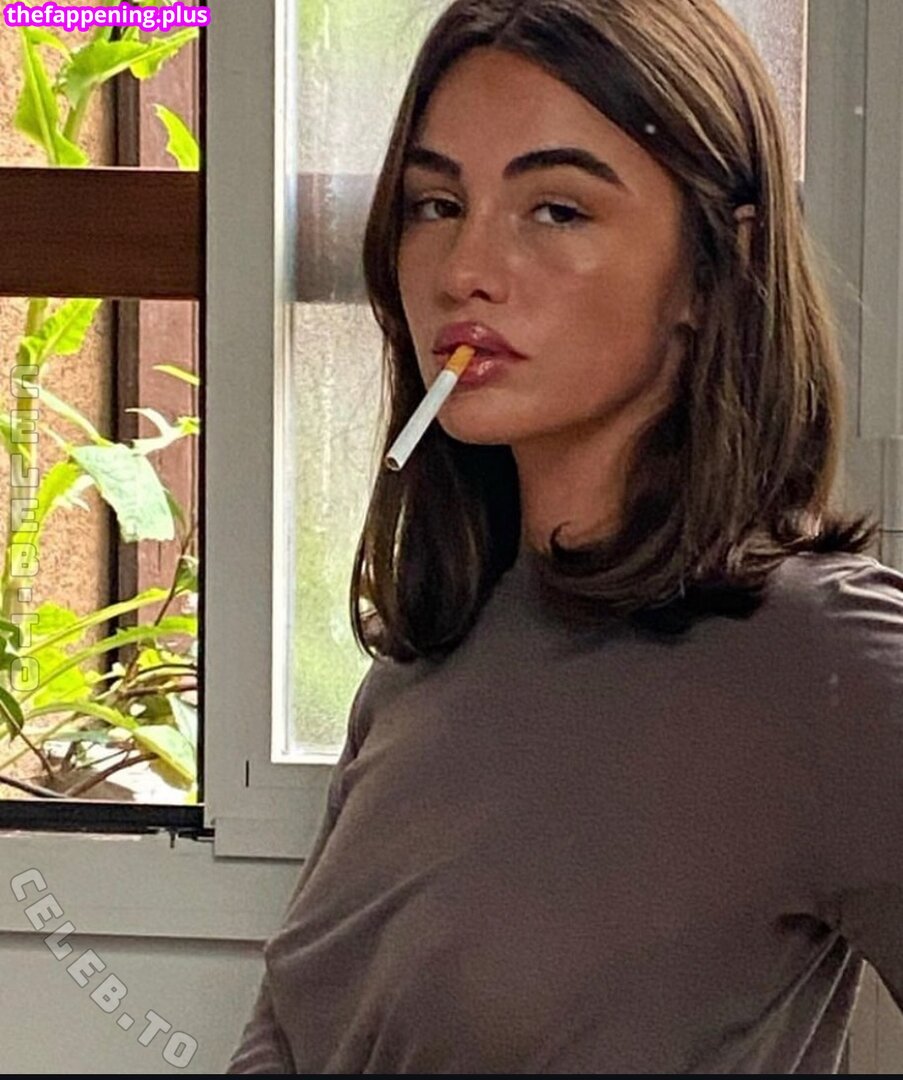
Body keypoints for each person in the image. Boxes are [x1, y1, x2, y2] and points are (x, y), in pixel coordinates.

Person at [228, 0, 903, 1072]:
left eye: (555, 209)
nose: (464, 268)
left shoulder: (828, 664)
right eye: (436, 203)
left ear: (713, 267)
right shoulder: (422, 662)